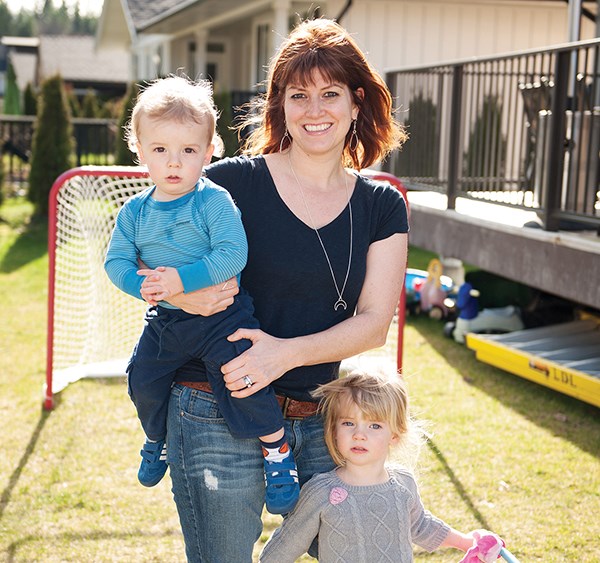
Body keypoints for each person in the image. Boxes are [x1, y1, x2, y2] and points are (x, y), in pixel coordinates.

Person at [156, 18, 410, 562]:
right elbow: (155, 261)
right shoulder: (229, 183)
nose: (314, 110)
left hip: (321, 416)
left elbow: (373, 321)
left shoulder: (382, 206)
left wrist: (284, 355)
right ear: (280, 104)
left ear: (356, 102)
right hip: (213, 405)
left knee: (357, 550)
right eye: (299, 95)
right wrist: (182, 295)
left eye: (330, 94)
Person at [104, 75, 300, 514]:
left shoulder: (213, 201)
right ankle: (158, 440)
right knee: (142, 379)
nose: (174, 163)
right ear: (138, 150)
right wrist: (147, 287)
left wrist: (180, 281)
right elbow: (116, 263)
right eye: (160, 150)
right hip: (167, 321)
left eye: (189, 151)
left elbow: (234, 255)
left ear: (210, 153)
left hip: (223, 318)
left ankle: (276, 450)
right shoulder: (134, 211)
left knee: (241, 382)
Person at [259, 371, 508, 563]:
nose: (359, 434)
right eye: (348, 423)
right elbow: (288, 541)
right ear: (333, 430)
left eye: (374, 426)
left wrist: (467, 542)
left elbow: (421, 524)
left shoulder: (403, 483)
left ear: (395, 435)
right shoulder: (321, 491)